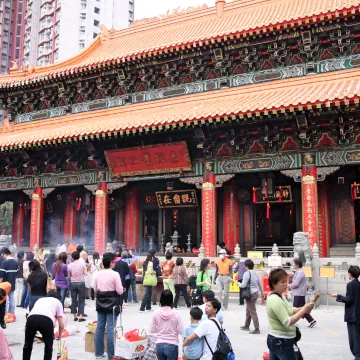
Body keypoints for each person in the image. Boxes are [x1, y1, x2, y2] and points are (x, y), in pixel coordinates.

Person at [267, 268, 315, 360]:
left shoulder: (280, 295)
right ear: (274, 284)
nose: (286, 284)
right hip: (281, 341)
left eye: (287, 281)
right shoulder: (275, 300)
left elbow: (289, 309)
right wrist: (303, 310)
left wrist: (303, 309)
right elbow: (287, 321)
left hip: (279, 340)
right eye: (282, 282)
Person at [94, 252, 123, 360]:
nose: (115, 264)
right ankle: (111, 355)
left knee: (100, 327)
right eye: (114, 262)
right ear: (111, 263)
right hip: (112, 302)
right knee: (111, 329)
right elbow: (119, 291)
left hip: (100, 301)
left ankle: (98, 353)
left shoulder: (98, 274)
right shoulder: (115, 274)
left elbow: (95, 289)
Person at [23, 290, 64, 360]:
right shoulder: (58, 302)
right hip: (46, 320)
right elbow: (61, 325)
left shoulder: (40, 299)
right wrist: (59, 337)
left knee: (27, 345)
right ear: (58, 297)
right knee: (48, 346)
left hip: (31, 319)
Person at [331, 265, 360, 360]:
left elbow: (349, 299)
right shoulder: (359, 284)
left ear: (350, 274)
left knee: (354, 338)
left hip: (352, 315)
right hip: (358, 314)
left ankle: (357, 356)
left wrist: (338, 296)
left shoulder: (350, 284)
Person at [150, 290, 183, 360]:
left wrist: (160, 328)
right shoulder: (177, 313)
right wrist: (173, 329)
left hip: (159, 344)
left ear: (161, 299)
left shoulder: (156, 313)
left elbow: (152, 330)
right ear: (172, 299)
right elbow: (181, 331)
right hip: (172, 345)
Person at [288, 259, 316, 328]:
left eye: (294, 264)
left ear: (297, 265)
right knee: (302, 309)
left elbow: (296, 284)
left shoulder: (300, 272)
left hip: (299, 293)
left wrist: (288, 285)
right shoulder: (298, 271)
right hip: (299, 293)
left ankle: (293, 323)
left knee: (295, 309)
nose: (293, 265)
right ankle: (311, 320)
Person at [67, 251, 88, 322]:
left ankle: (75, 316)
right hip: (81, 283)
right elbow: (86, 274)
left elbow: (69, 275)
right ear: (79, 257)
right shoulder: (82, 264)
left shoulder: (70, 265)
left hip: (73, 283)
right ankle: (81, 316)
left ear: (72, 257)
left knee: (73, 300)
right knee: (81, 300)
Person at [0, 247, 17, 315]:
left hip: (5, 283)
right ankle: (12, 312)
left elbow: (1, 275)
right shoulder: (15, 262)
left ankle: (5, 312)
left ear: (5, 254)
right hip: (12, 282)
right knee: (12, 297)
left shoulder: (5, 262)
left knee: (5, 299)